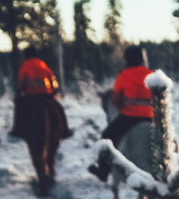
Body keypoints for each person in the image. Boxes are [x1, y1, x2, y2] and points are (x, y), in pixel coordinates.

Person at [88, 44, 154, 181]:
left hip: (130, 116)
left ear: (127, 59)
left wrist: (122, 106)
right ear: (142, 58)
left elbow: (116, 98)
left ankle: (103, 171)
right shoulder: (150, 74)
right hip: (150, 117)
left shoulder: (124, 75)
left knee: (107, 137)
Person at [11, 45, 72, 140]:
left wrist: (20, 93)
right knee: (59, 109)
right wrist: (54, 92)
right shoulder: (42, 64)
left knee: (19, 106)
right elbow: (53, 80)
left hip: (31, 97)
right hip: (46, 96)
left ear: (26, 55)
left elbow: (21, 83)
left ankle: (17, 130)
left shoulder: (24, 66)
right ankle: (65, 130)